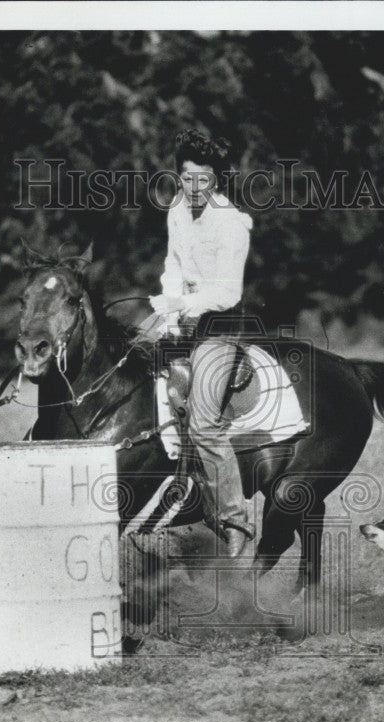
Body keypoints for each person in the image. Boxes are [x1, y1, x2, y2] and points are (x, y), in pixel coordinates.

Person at [145, 129, 255, 558]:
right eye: (187, 178)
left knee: (205, 424)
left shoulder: (232, 223)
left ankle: (235, 524)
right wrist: (168, 305)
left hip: (219, 329)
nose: (194, 189)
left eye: (203, 180)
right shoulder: (176, 210)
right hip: (181, 315)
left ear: (217, 180)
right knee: (126, 359)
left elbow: (227, 294)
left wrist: (180, 304)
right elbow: (172, 263)